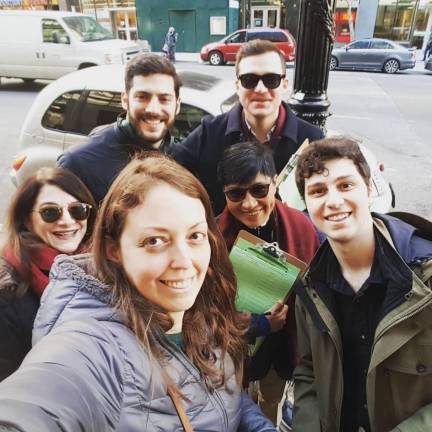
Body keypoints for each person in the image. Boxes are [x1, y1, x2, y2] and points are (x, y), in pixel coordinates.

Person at [0, 154, 276, 432]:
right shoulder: (94, 347)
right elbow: (41, 401)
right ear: (114, 250)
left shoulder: (196, 308)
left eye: (194, 236)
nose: (183, 261)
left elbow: (219, 394)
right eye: (154, 241)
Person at [292, 137, 432, 431]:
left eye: (345, 186)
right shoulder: (309, 288)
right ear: (307, 206)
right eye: (318, 191)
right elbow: (308, 370)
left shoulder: (426, 278)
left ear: (369, 190)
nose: (333, 201)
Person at [217, 142, 320, 424]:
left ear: (276, 184)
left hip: (283, 347)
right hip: (232, 353)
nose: (249, 204)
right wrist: (260, 325)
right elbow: (205, 315)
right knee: (233, 403)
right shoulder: (212, 240)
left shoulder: (301, 227)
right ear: (224, 194)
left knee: (270, 399)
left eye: (260, 190)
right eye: (236, 193)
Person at [171, 39, 323, 215]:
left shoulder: (312, 139)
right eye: (249, 80)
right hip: (224, 241)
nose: (260, 89)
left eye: (271, 79)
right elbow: (168, 173)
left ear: (285, 85)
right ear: (237, 86)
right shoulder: (209, 133)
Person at [0, 167, 96, 382]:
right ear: (26, 220)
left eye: (77, 210)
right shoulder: (7, 295)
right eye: (50, 212)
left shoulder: (99, 269)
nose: (67, 221)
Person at [58, 53, 181, 204]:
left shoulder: (185, 160)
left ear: (177, 105)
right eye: (142, 97)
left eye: (164, 99)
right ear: (125, 100)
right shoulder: (79, 163)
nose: (153, 109)